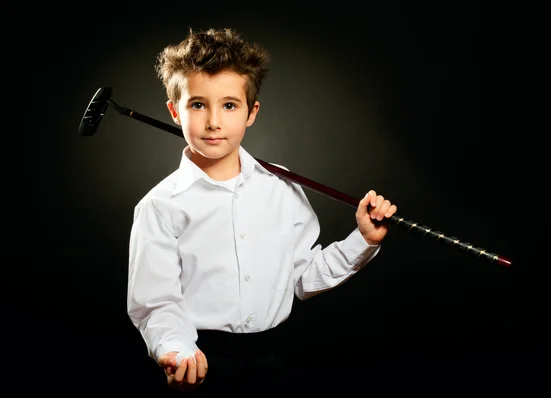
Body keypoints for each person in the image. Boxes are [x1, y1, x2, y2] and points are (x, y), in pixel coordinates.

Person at [126, 27, 398, 394]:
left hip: (282, 358)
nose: (213, 122)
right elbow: (156, 304)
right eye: (197, 104)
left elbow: (302, 278)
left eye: (229, 105)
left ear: (251, 112)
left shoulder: (282, 185)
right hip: (201, 359)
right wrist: (177, 351)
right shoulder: (159, 206)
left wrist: (362, 240)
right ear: (175, 111)